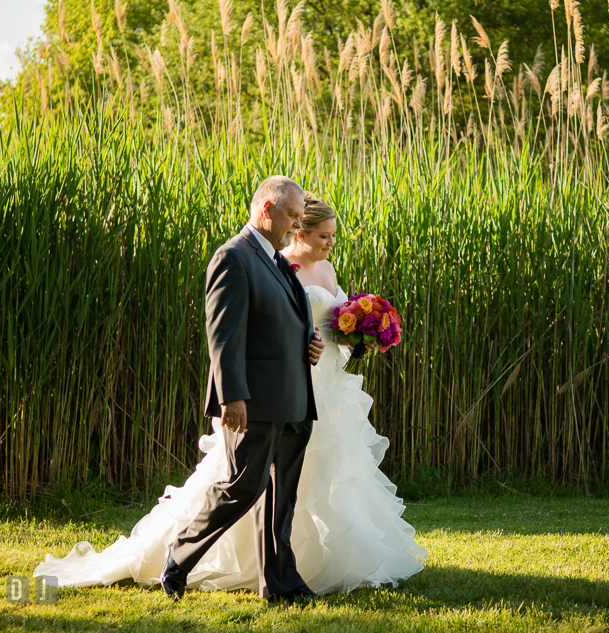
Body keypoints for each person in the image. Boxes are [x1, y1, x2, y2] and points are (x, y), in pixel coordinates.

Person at [33, 190, 427, 598]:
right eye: (291, 216)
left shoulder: (277, 261)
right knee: (241, 486)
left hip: (298, 396)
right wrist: (231, 397)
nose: (295, 224)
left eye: (299, 218)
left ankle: (279, 583)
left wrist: (310, 342)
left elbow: (287, 320)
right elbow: (222, 334)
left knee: (282, 501)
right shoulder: (233, 257)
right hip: (257, 399)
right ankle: (180, 556)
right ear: (266, 209)